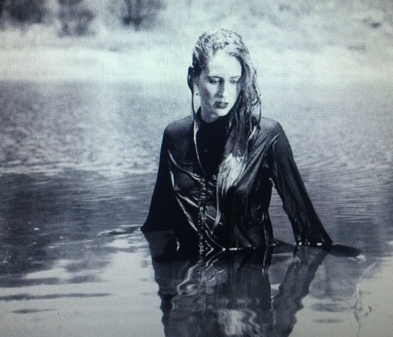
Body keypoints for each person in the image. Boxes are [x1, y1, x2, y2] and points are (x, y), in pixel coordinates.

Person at [142, 29, 332, 259]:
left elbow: (307, 227)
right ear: (194, 78)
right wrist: (168, 289)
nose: (224, 93)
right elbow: (158, 225)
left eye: (234, 81)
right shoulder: (175, 136)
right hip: (192, 283)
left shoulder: (267, 136)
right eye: (214, 81)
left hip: (249, 277)